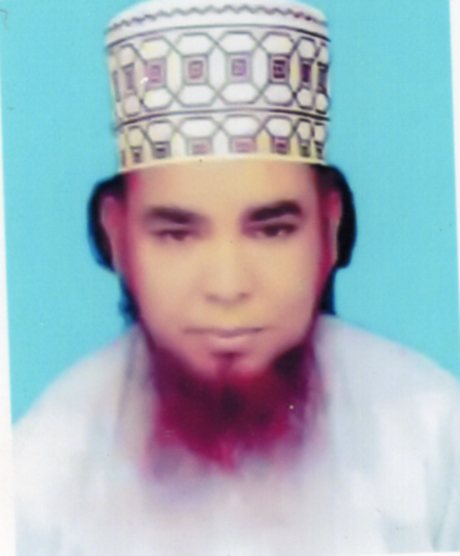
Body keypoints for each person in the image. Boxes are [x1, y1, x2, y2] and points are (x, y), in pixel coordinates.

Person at [14, 0, 460, 554]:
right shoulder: (41, 467)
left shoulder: (432, 431)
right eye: (177, 235)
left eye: (271, 231)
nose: (227, 288)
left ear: (329, 229)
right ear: (118, 238)